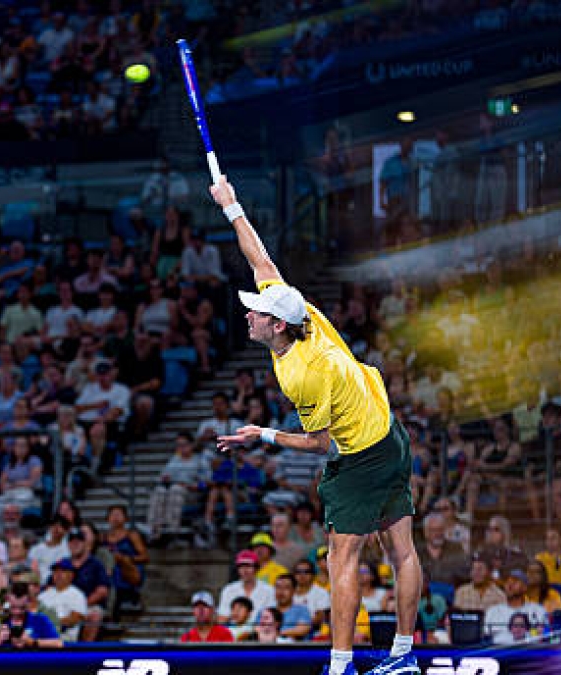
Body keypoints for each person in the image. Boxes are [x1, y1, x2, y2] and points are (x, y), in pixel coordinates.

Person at [211, 177, 422, 675]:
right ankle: (403, 657)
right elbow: (260, 260)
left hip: (361, 455)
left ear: (277, 325)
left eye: (256, 314)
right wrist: (231, 205)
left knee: (341, 558)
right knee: (401, 548)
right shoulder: (301, 310)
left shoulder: (304, 374)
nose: (249, 315)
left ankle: (341, 665)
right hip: (390, 431)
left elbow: (320, 442)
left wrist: (260, 434)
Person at [0, 581, 63, 649]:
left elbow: (59, 644)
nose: (17, 612)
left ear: (28, 602)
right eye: (13, 607)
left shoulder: (39, 619)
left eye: (22, 608)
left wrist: (32, 642)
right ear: (8, 600)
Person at [38, 559, 87, 641]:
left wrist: (51, 623)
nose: (58, 575)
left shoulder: (77, 595)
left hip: (65, 637)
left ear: (71, 575)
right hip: (42, 635)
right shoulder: (43, 595)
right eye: (55, 571)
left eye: (63, 571)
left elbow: (74, 619)